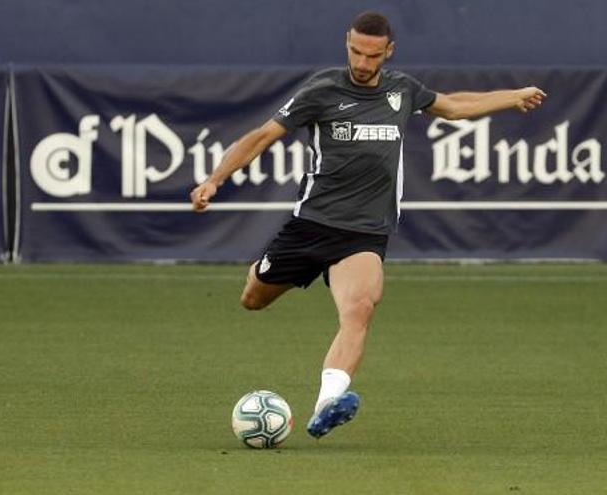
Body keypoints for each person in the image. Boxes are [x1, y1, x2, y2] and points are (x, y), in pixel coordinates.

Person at [190, 11, 546, 439]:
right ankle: (269, 277)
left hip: (363, 233)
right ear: (347, 44)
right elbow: (262, 136)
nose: (362, 62)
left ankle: (327, 403)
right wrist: (214, 179)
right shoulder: (321, 90)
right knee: (253, 298)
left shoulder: (402, 90)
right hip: (311, 226)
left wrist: (512, 96)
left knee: (359, 309)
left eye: (372, 55)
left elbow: (453, 106)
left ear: (388, 52)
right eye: (356, 52)